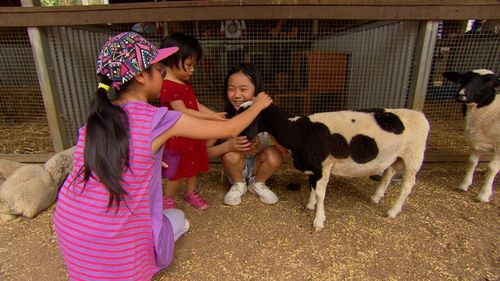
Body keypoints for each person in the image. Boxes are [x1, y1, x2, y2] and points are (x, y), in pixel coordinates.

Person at [52, 32, 272, 280]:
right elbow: (229, 130)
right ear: (140, 75)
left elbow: (117, 157)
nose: (164, 74)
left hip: (70, 231)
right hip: (118, 249)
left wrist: (153, 160)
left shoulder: (97, 120)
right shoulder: (156, 118)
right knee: (177, 218)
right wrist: (259, 105)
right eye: (159, 69)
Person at [159, 32, 226, 210]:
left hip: (191, 133)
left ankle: (190, 193)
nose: (192, 70)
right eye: (188, 65)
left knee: (193, 165)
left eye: (193, 65)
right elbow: (183, 111)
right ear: (172, 60)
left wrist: (215, 115)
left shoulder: (184, 83)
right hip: (177, 136)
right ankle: (168, 198)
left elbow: (196, 105)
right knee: (177, 172)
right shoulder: (168, 86)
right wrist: (212, 118)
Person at [207, 63, 287, 206]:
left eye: (243, 89)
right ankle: (238, 185)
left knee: (274, 154)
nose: (237, 95)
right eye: (231, 89)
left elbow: (283, 150)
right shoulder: (223, 119)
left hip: (258, 166)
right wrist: (227, 146)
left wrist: (276, 134)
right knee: (230, 154)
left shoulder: (265, 118)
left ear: (257, 91)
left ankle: (258, 184)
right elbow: (204, 154)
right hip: (237, 167)